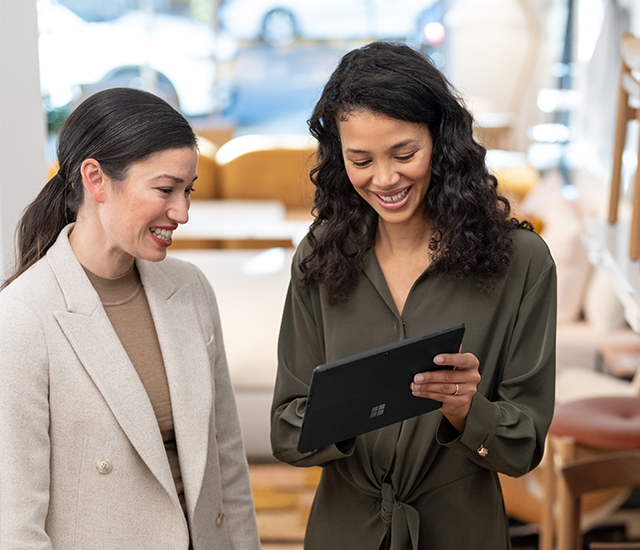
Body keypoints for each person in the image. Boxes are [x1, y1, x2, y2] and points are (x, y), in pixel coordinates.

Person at [271, 42, 556, 550]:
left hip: (462, 529)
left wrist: (469, 411)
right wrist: (352, 404)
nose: (384, 179)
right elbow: (287, 430)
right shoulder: (319, 256)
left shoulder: (523, 262)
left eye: (405, 154)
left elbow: (523, 447)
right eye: (361, 160)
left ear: (442, 141)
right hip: (344, 529)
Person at [0, 88, 260, 550]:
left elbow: (228, 472)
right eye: (165, 189)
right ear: (95, 179)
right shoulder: (23, 318)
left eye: (188, 191)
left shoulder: (191, 290)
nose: (181, 213)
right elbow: (15, 525)